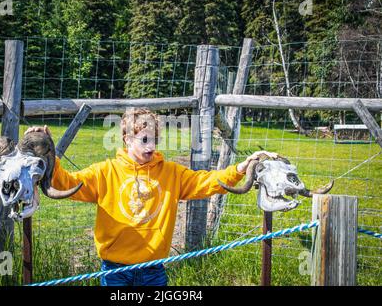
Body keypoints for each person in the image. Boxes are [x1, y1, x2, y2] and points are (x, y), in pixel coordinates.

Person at [25, 108, 278, 286]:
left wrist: (239, 170)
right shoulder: (105, 172)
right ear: (126, 139)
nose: (151, 146)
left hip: (154, 272)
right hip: (115, 272)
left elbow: (205, 181)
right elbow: (68, 182)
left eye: (155, 139)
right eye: (144, 139)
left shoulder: (171, 173)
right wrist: (49, 154)